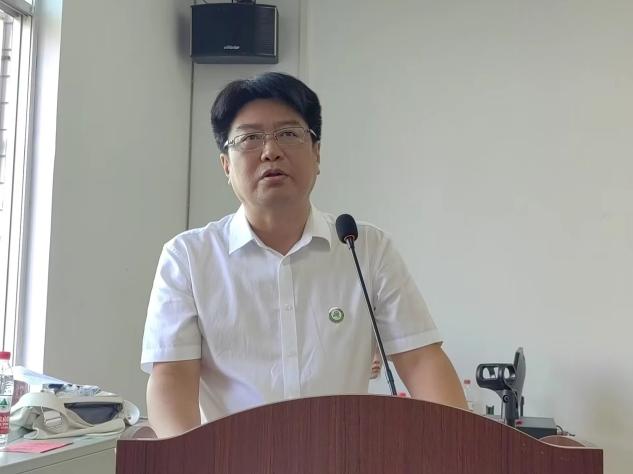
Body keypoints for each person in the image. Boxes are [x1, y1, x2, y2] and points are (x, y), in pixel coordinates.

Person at [141, 72, 467, 438]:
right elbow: (172, 378)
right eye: (250, 138)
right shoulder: (188, 257)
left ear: (316, 154)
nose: (271, 151)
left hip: (345, 459)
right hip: (230, 460)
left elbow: (421, 360)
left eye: (289, 134)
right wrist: (186, 459)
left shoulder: (365, 248)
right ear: (226, 166)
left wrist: (462, 447)